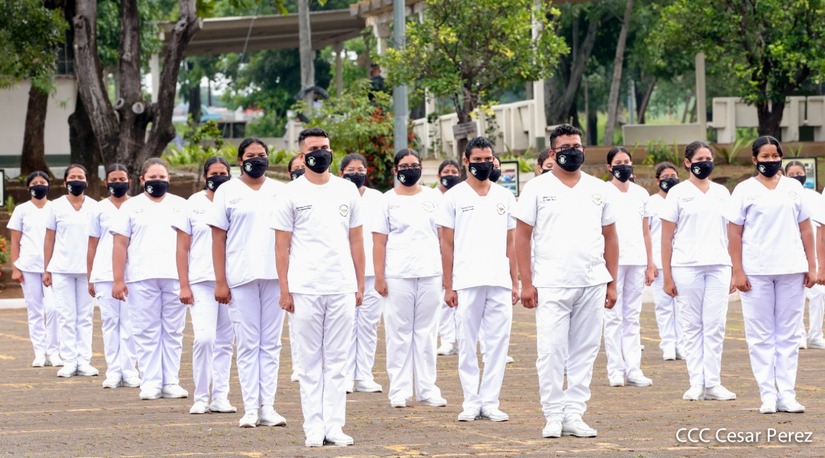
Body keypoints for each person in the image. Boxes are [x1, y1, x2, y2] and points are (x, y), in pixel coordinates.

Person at [514, 124, 618, 439]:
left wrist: (612, 282)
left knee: (585, 351)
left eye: (577, 146)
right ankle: (553, 415)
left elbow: (611, 237)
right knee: (550, 351)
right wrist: (526, 282)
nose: (572, 151)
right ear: (552, 152)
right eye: (565, 147)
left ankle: (574, 414)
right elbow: (522, 236)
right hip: (551, 284)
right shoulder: (536, 188)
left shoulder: (599, 189)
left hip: (592, 281)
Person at [273, 127, 364, 447]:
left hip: (341, 286)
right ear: (302, 155)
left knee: (338, 362)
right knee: (310, 363)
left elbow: (356, 240)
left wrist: (359, 284)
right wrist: (284, 289)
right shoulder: (290, 193)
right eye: (314, 149)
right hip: (305, 287)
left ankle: (334, 426)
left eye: (325, 147)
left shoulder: (347, 190)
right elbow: (281, 245)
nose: (321, 153)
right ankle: (313, 426)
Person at [728, 136, 815, 414]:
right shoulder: (744, 190)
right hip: (756, 272)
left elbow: (806, 228)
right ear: (754, 159)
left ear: (781, 157)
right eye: (764, 157)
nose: (770, 160)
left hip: (792, 269)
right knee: (760, 336)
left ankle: (787, 395)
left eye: (774, 156)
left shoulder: (793, 188)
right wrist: (737, 270)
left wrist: (812, 265)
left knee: (788, 335)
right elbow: (734, 232)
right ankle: (767, 394)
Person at [438, 136, 518, 423]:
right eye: (478, 160)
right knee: (467, 342)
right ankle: (471, 401)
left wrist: (515, 282)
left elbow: (511, 243)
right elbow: (446, 244)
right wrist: (449, 285)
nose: (483, 164)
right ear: (466, 160)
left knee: (498, 345)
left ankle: (490, 402)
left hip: (499, 280)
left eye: (488, 159)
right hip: (467, 280)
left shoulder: (505, 196)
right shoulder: (453, 197)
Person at [209, 138, 287, 428]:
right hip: (241, 276)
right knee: (247, 344)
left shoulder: (281, 191)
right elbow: (218, 240)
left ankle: (268, 407)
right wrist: (220, 281)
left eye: (261, 154)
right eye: (251, 155)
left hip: (275, 277)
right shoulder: (227, 191)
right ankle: (251, 408)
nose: (257, 159)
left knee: (271, 344)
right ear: (240, 160)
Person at [660, 141, 736, 402]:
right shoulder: (677, 193)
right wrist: (667, 276)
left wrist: (735, 268)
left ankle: (713, 382)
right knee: (692, 325)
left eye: (708, 158)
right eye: (699, 159)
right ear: (687, 162)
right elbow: (666, 238)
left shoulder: (722, 192)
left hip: (719, 265)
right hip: (686, 267)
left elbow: (732, 232)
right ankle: (696, 382)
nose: (705, 163)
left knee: (715, 325)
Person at [374, 148, 447, 412]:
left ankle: (427, 389)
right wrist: (379, 277)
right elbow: (379, 241)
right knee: (399, 333)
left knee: (426, 333)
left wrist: (447, 274)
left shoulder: (434, 197)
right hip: (398, 274)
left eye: (414, 165)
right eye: (404, 166)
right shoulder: (386, 200)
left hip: (430, 272)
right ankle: (400, 390)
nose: (409, 170)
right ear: (395, 170)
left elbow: (444, 238)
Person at [111, 158, 188, 401]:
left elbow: (188, 244)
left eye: (162, 177)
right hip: (140, 277)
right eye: (152, 177)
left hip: (174, 277)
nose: (157, 181)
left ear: (169, 179)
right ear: (142, 179)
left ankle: (171, 381)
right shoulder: (130, 207)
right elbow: (120, 244)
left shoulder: (181, 205)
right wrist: (118, 279)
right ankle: (151, 382)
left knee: (173, 331)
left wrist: (187, 280)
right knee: (146, 331)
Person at [174, 157, 236, 415]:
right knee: (204, 338)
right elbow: (182, 248)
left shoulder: (234, 200)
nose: (218, 177)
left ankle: (220, 396)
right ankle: (201, 397)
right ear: (204, 177)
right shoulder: (192, 204)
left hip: (232, 282)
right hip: (200, 281)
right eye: (214, 173)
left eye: (223, 173)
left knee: (225, 342)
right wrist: (184, 285)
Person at [602, 147, 656, 387]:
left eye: (626, 161)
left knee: (632, 317)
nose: (623, 165)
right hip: (612, 263)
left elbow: (646, 232)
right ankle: (615, 370)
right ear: (609, 167)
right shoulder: (603, 192)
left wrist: (650, 264)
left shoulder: (641, 193)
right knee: (613, 317)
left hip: (637, 260)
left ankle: (634, 369)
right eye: (618, 162)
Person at [87, 164, 140, 389]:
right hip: (104, 274)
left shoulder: (137, 205)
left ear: (130, 181)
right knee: (110, 323)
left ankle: (130, 371)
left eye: (122, 179)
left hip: (132, 274)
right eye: (113, 179)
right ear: (106, 182)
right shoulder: (98, 209)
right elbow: (92, 245)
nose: (118, 183)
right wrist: (90, 276)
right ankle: (114, 372)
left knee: (130, 324)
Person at [43, 164, 98, 378]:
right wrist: (47, 269)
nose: (76, 180)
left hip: (86, 271)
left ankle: (84, 361)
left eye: (80, 176)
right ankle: (68, 361)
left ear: (86, 181)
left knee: (85, 317)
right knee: (66, 316)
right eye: (72, 177)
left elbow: (98, 240)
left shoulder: (94, 206)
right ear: (65, 181)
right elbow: (49, 239)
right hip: (61, 269)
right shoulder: (55, 206)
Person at [340, 153, 385, 394]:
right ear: (341, 173)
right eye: (351, 170)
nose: (356, 174)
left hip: (372, 273)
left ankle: (364, 375)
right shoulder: (337, 195)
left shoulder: (377, 198)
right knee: (347, 326)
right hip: (346, 271)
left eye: (360, 169)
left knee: (368, 326)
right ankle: (346, 375)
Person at [8, 171, 60, 368]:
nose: (39, 185)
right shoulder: (21, 210)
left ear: (48, 185)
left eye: (42, 182)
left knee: (53, 309)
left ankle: (53, 351)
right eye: (35, 182)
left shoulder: (55, 208)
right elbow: (15, 241)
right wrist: (15, 268)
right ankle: (39, 352)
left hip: (52, 267)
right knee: (35, 310)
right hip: (28, 266)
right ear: (28, 187)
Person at [785, 161, 825, 349]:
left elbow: (819, 228)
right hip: (791, 252)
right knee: (796, 295)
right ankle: (799, 334)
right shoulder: (783, 195)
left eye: (799, 173)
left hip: (813, 252)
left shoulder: (815, 197)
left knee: (819, 293)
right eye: (791, 174)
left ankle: (815, 335)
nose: (796, 176)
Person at [646, 162, 684, 361]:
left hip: (681, 260)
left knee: (682, 306)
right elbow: (646, 233)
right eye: (666, 177)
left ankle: (682, 345)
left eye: (673, 176)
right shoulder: (651, 202)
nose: (670, 180)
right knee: (663, 306)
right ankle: (668, 345)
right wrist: (650, 263)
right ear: (657, 180)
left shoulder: (681, 199)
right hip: (659, 262)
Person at [435, 159, 462, 357]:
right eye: (446, 172)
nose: (450, 175)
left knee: (461, 299)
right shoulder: (433, 197)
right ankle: (447, 339)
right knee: (444, 298)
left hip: (460, 253)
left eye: (454, 171)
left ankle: (460, 338)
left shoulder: (461, 195)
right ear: (439, 175)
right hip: (438, 254)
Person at [286, 154, 306, 383]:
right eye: (296, 169)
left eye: (303, 167)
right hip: (292, 266)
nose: (300, 172)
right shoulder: (286, 195)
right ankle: (298, 365)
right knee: (295, 322)